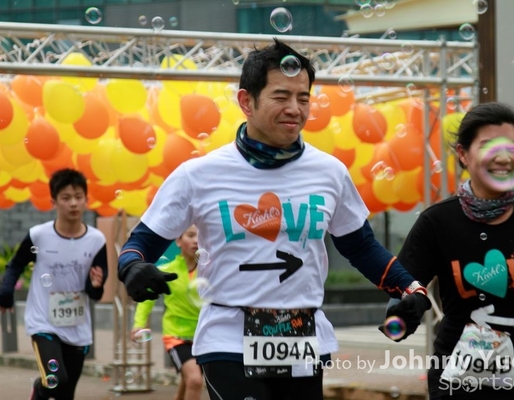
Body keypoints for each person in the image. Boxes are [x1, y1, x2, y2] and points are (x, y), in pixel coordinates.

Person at [116, 38, 431, 400]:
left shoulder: (329, 172)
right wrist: (132, 268)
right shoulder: (198, 174)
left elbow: (360, 247)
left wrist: (411, 288)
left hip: (302, 338)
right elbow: (140, 244)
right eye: (281, 97)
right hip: (227, 338)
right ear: (246, 101)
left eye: (303, 98)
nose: (294, 109)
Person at [384, 102, 514, 399]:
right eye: (488, 145)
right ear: (463, 154)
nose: (503, 157)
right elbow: (404, 286)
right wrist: (410, 306)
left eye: (512, 146)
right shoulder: (437, 221)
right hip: (455, 376)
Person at [0, 168, 108, 400]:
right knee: (56, 379)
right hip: (44, 323)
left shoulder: (97, 240)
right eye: (66, 198)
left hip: (78, 325)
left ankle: (42, 391)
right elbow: (15, 265)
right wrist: (6, 293)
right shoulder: (38, 235)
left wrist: (96, 285)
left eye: (78, 197)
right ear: (53, 202)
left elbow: (96, 293)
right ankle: (39, 389)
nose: (73, 203)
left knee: (65, 394)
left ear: (86, 200)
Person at [131, 225, 204, 400]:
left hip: (203, 336)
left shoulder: (210, 271)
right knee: (195, 380)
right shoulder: (167, 270)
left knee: (189, 379)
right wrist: (139, 324)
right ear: (178, 240)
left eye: (200, 236)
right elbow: (147, 299)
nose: (196, 240)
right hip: (176, 336)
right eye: (190, 235)